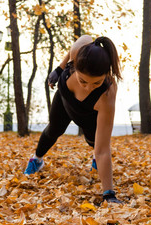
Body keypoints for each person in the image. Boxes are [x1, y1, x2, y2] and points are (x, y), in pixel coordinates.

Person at [24, 35, 123, 204]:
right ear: (75, 66)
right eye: (83, 81)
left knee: (95, 143)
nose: (88, 87)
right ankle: (36, 160)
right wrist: (59, 69)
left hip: (89, 114)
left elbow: (103, 150)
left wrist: (109, 194)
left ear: (106, 75)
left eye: (96, 83)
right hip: (64, 99)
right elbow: (71, 50)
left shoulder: (107, 94)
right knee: (53, 130)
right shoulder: (81, 47)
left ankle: (96, 163)